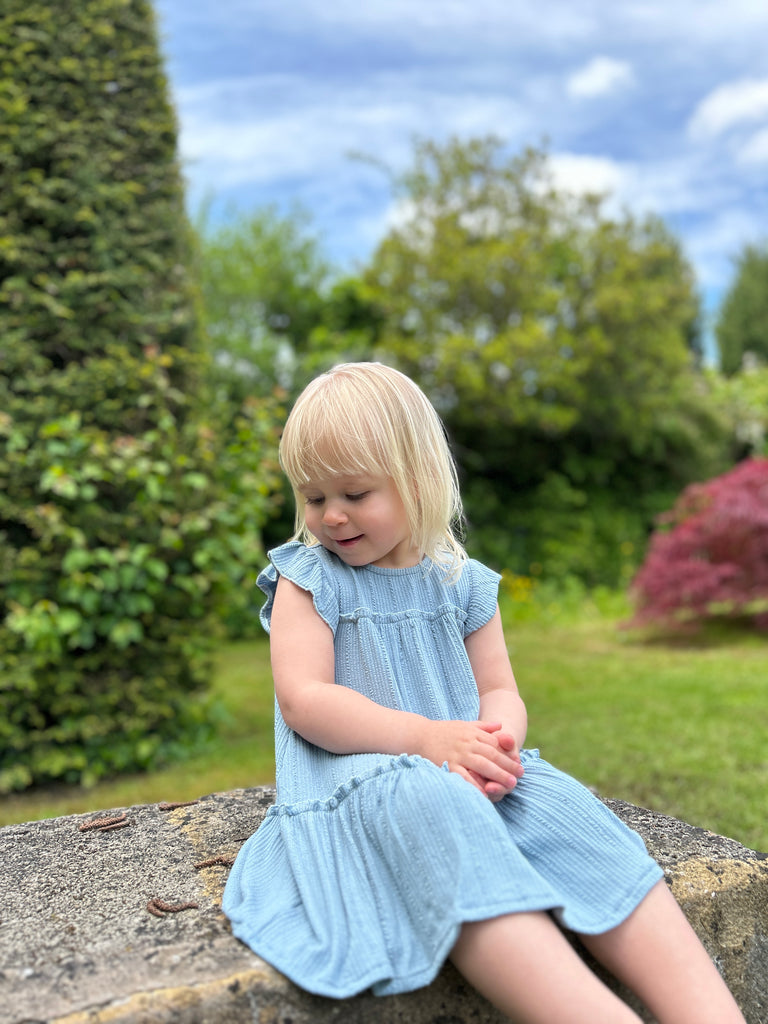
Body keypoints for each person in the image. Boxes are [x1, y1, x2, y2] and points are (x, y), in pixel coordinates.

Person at [223, 362, 746, 1024]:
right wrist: (425, 740)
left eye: (354, 493)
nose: (330, 515)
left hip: (462, 771)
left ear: (417, 480)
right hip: (366, 783)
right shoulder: (309, 581)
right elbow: (305, 701)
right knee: (433, 805)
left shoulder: (461, 584)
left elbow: (500, 691)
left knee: (563, 810)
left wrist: (498, 743)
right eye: (312, 495)